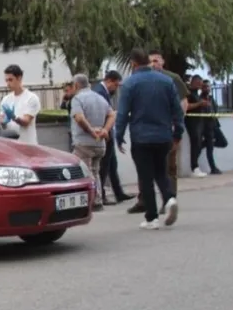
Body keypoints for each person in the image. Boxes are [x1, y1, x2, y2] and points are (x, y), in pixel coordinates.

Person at [115, 49, 183, 230]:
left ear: (133, 63)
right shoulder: (167, 81)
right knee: (161, 171)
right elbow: (177, 110)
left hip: (141, 137)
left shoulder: (130, 84)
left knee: (145, 177)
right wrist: (178, 133)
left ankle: (151, 218)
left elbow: (122, 113)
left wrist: (119, 135)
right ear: (148, 61)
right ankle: (169, 199)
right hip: (163, 136)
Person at [127, 50, 190, 214]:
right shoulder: (140, 81)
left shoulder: (172, 79)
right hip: (146, 133)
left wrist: (178, 127)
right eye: (151, 60)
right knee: (146, 168)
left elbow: (182, 104)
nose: (154, 63)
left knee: (168, 167)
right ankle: (145, 201)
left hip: (167, 130)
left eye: (156, 60)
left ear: (162, 62)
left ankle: (169, 200)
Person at [69, 74, 115, 211]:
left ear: (76, 85)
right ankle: (97, 200)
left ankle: (87, 201)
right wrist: (105, 130)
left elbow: (79, 118)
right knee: (95, 171)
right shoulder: (100, 98)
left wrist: (91, 131)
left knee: (84, 172)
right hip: (100, 144)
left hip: (83, 143)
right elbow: (112, 114)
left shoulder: (77, 99)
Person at [93, 70, 133, 205]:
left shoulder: (103, 91)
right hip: (105, 134)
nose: (116, 88)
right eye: (115, 85)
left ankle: (119, 193)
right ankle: (102, 195)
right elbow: (102, 114)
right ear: (109, 81)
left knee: (112, 165)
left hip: (108, 133)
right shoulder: (99, 92)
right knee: (104, 166)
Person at [0, 64, 41, 145]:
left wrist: (14, 117)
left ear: (19, 78)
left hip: (28, 145)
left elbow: (26, 122)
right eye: (6, 80)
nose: (8, 83)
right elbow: (2, 122)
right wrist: (3, 122)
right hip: (11, 145)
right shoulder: (5, 100)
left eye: (10, 80)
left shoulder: (31, 98)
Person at [185, 75, 209, 178]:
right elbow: (186, 106)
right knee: (195, 143)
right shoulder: (188, 93)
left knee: (198, 144)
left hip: (199, 122)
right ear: (194, 82)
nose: (200, 85)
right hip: (191, 122)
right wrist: (199, 103)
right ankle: (194, 168)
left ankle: (195, 166)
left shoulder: (197, 93)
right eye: (199, 83)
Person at [199, 80, 221, 174]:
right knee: (210, 150)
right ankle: (213, 168)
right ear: (202, 88)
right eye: (204, 87)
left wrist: (216, 114)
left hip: (214, 125)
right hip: (206, 127)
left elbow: (216, 109)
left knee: (223, 142)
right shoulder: (200, 99)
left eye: (208, 86)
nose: (207, 88)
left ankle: (203, 144)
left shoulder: (211, 98)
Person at [59, 82, 74, 151]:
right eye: (65, 91)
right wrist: (64, 101)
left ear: (72, 89)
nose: (65, 93)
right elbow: (62, 112)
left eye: (67, 91)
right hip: (71, 128)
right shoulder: (69, 100)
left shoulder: (75, 100)